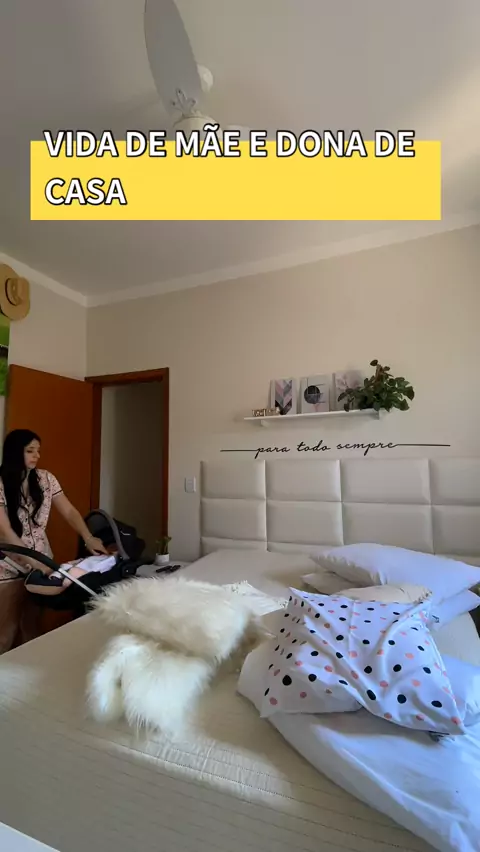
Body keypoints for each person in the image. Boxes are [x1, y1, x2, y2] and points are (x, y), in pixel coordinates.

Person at [0, 429, 107, 653]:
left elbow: (68, 511)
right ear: (14, 452)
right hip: (8, 565)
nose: (37, 456)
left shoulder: (46, 479)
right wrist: (35, 563)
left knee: (31, 627)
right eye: (30, 450)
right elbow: (6, 532)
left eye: (38, 451)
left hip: (41, 563)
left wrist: (88, 537)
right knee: (6, 633)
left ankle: (27, 670)